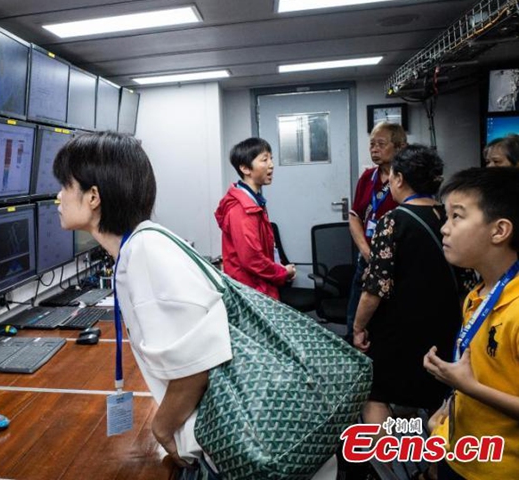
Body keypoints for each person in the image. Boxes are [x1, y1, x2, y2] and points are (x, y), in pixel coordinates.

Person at [53, 131, 337, 479]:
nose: (58, 197)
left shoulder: (143, 254)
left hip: (236, 446)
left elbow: (195, 368)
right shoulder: (147, 241)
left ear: (93, 196)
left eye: (65, 186)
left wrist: (161, 426)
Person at [352, 145, 462, 429]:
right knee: (437, 399)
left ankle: (391, 468)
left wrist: (358, 327)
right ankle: (431, 468)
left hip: (400, 330)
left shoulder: (393, 221)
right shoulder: (451, 219)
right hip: (447, 326)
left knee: (374, 395)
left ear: (400, 179)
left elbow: (376, 287)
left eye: (392, 177)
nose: (388, 182)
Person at [424, 167, 519, 480]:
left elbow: (475, 384)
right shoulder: (478, 294)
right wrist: (449, 405)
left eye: (457, 217)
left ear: (499, 230)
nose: (444, 229)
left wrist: (468, 387)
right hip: (461, 452)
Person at [214, 138, 295, 299]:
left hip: (258, 287)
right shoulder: (242, 210)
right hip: (252, 291)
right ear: (245, 168)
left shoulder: (253, 201)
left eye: (271, 158)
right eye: (264, 160)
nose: (271, 165)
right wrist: (282, 272)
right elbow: (252, 260)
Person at [346, 122, 406, 339]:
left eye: (381, 144)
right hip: (367, 258)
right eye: (372, 144)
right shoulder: (367, 177)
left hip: (396, 261)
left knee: (389, 324)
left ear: (399, 147)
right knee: (356, 318)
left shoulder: (405, 179)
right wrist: (367, 253)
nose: (374, 149)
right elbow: (354, 217)